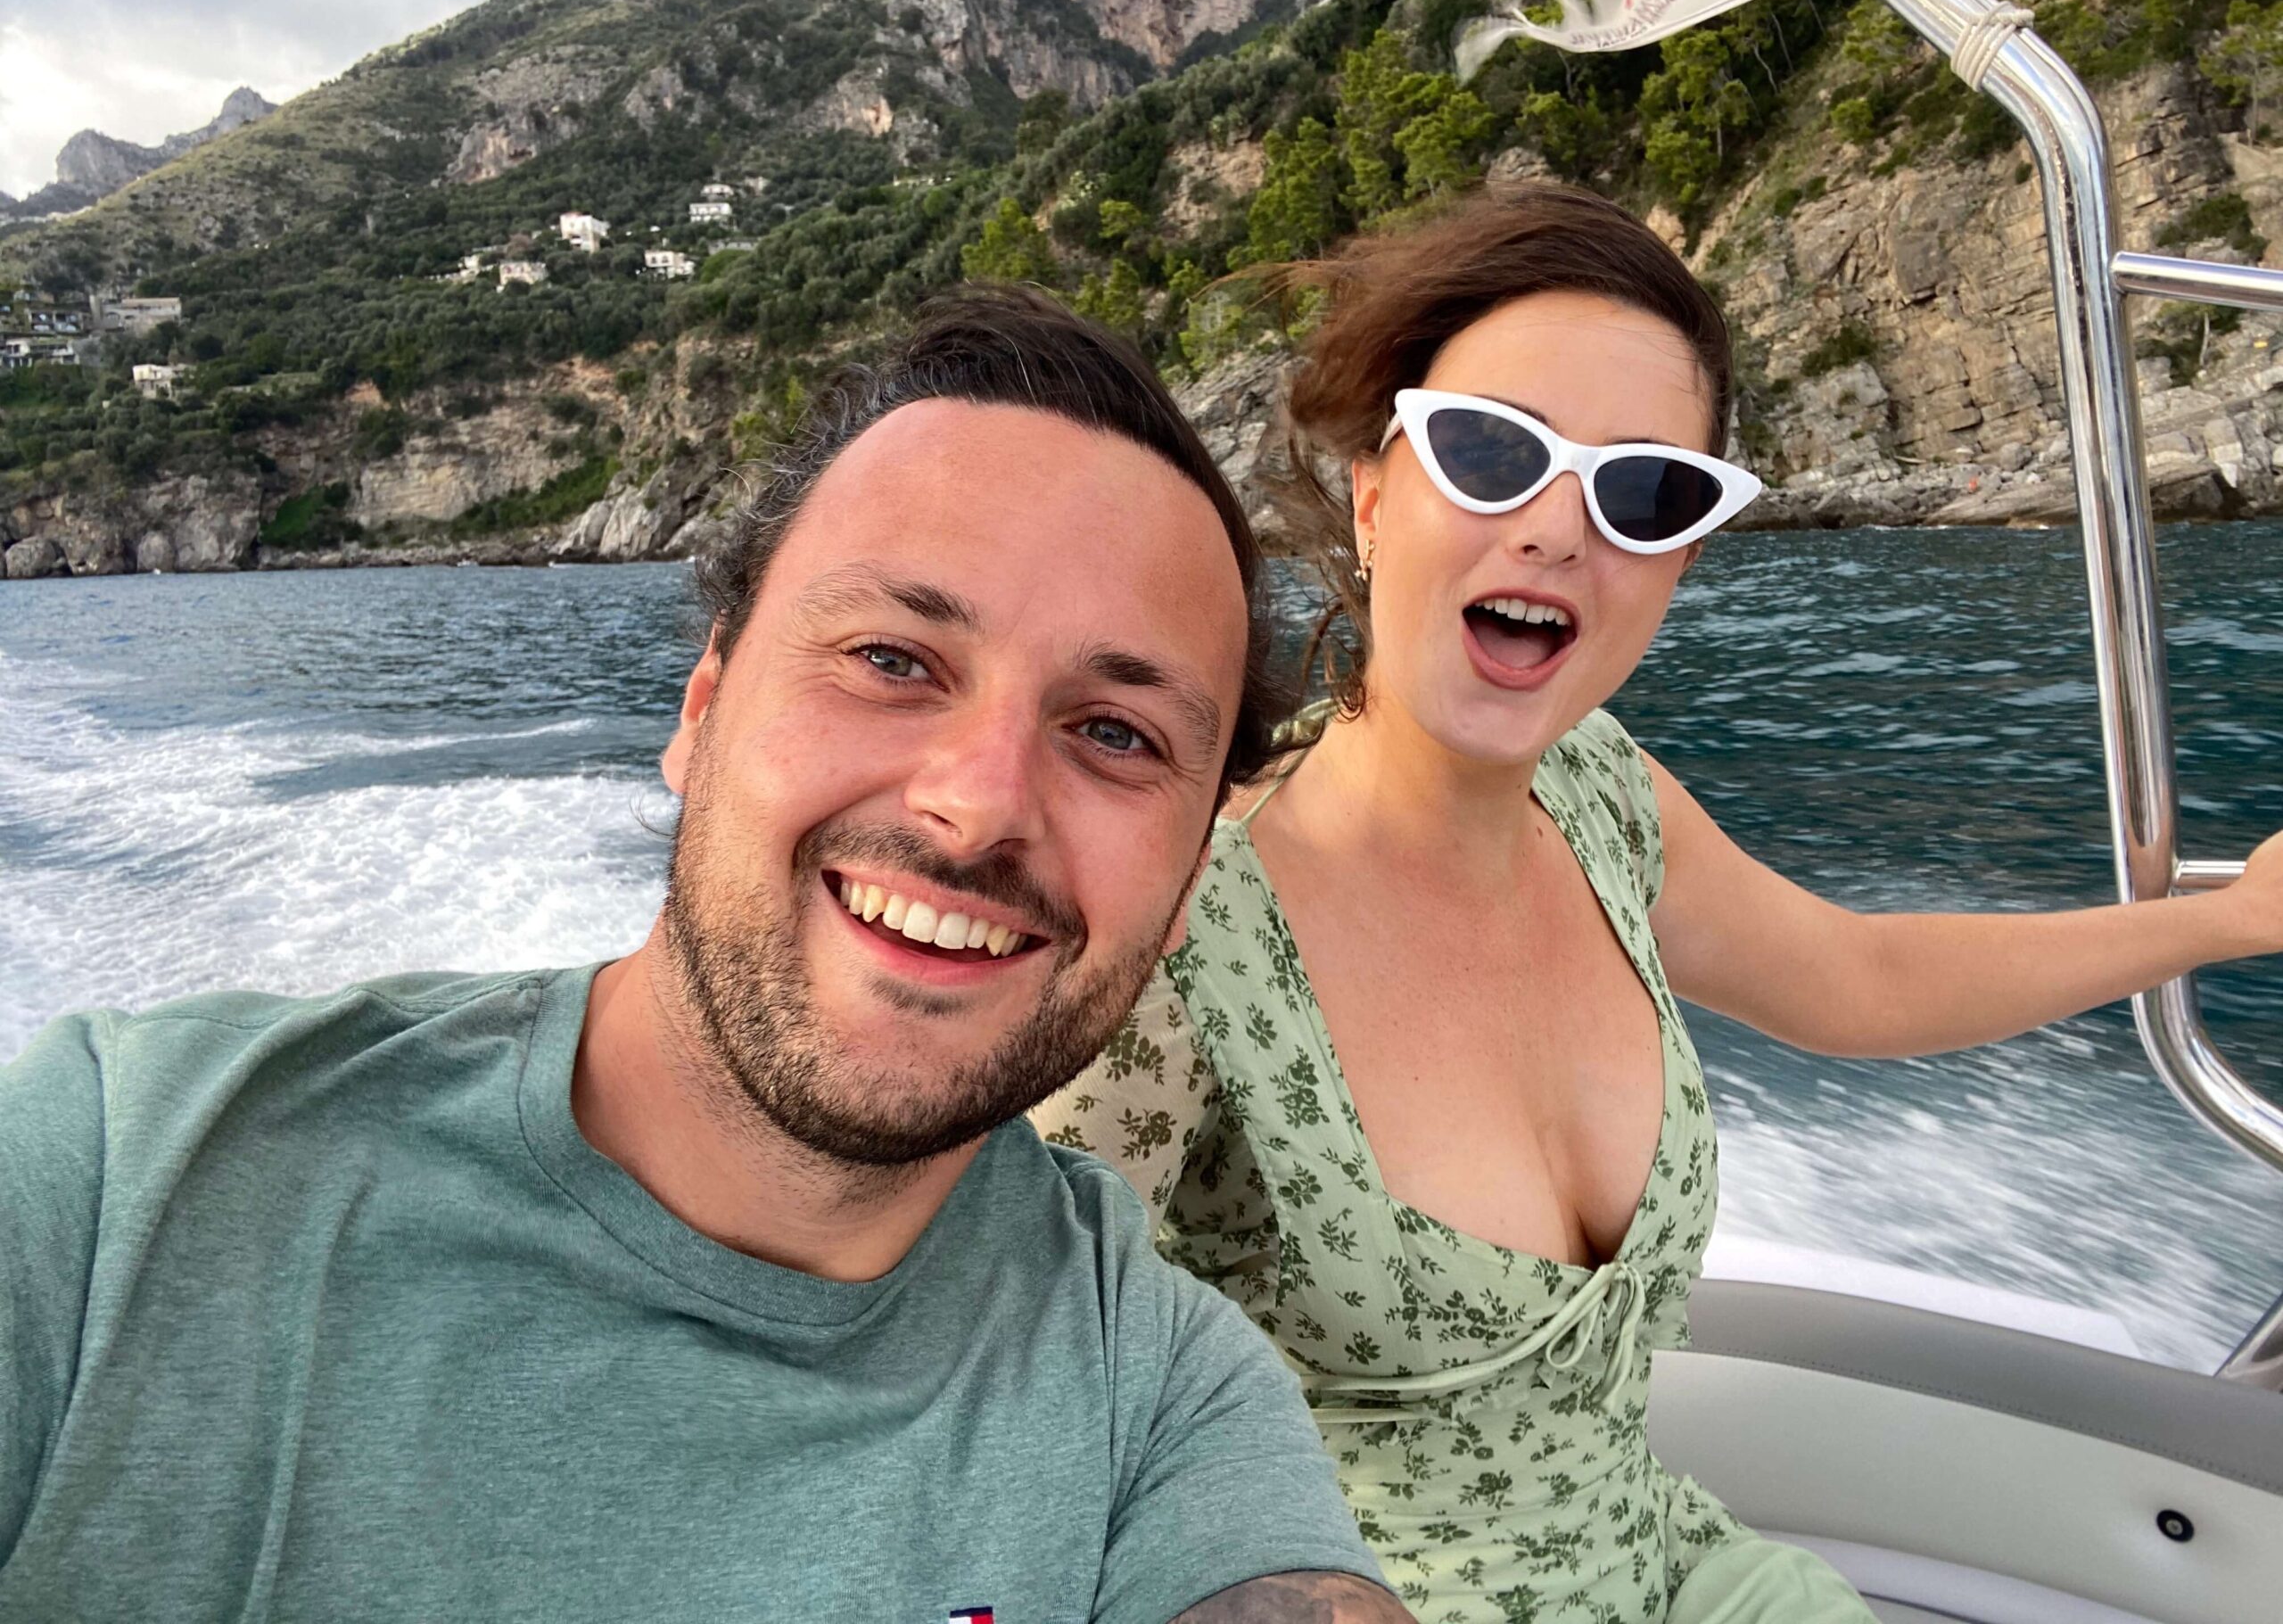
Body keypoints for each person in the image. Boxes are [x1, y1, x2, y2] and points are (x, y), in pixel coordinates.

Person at [0, 289, 1414, 1624]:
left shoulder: (1160, 1402)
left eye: (1116, 735)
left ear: (1185, 888)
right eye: (891, 660)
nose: (980, 804)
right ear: (701, 708)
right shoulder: (118, 1182)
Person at [1034, 183, 2283, 1623]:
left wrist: (2231, 921)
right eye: (1494, 455)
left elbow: (1854, 978)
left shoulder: (1606, 793)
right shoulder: (1183, 940)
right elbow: (1011, 1408)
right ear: (1378, 496)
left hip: (1676, 1570)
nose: (1561, 530)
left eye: (1644, 492)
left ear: (1680, 562)